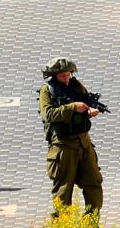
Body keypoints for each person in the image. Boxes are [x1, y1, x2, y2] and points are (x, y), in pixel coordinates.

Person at [39, 56, 103, 215]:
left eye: (68, 74)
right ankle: (63, 226)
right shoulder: (48, 90)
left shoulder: (76, 86)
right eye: (62, 76)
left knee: (94, 182)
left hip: (84, 143)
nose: (66, 78)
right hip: (63, 146)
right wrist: (73, 107)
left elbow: (86, 104)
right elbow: (48, 114)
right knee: (63, 189)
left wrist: (91, 111)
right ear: (54, 76)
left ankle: (91, 223)